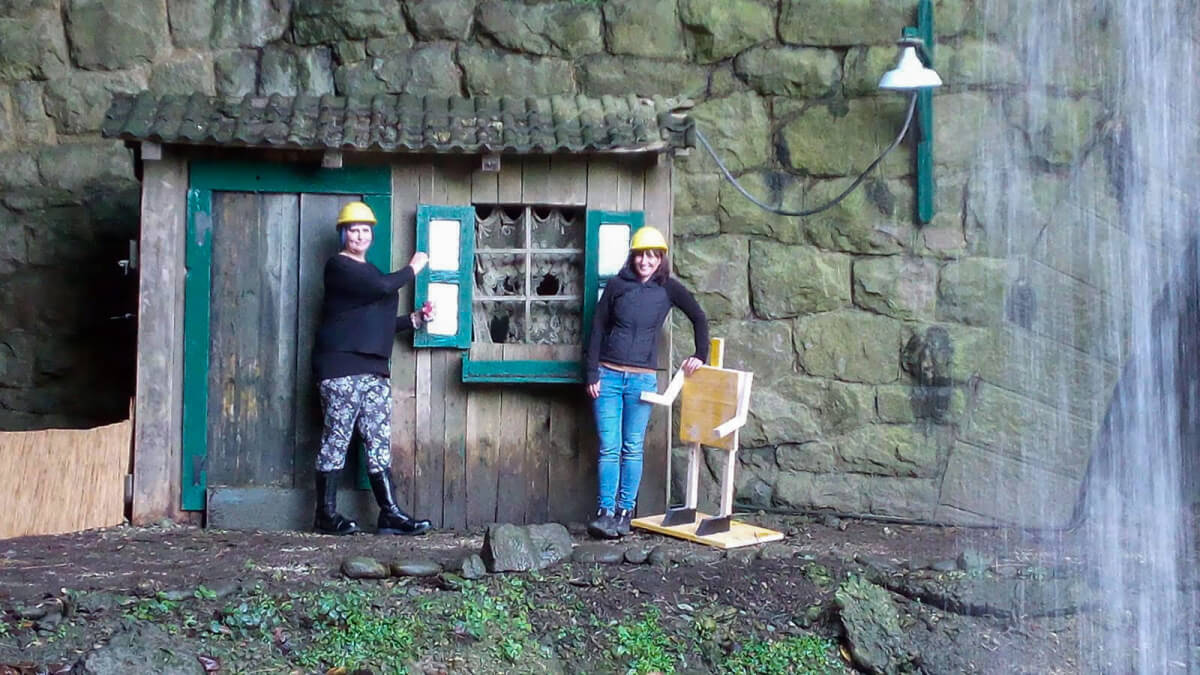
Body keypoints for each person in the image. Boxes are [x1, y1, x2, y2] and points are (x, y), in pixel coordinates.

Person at [311, 200, 433, 536]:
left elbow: (373, 322)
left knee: (378, 440)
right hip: (341, 368)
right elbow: (382, 288)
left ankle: (389, 514)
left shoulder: (373, 272)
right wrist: (412, 268)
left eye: (365, 230)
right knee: (337, 439)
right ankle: (325, 515)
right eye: (353, 230)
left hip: (375, 370)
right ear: (343, 234)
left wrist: (413, 320)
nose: (360, 235)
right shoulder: (339, 267)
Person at [583, 225, 709, 539]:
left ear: (661, 259)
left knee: (631, 447)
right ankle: (605, 513)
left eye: (652, 256)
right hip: (608, 377)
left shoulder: (669, 288)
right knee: (609, 447)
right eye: (641, 256)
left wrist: (700, 355)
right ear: (633, 257)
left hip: (641, 381)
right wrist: (591, 373)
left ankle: (625, 513)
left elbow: (699, 317)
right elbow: (597, 328)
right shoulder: (617, 286)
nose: (646, 262)